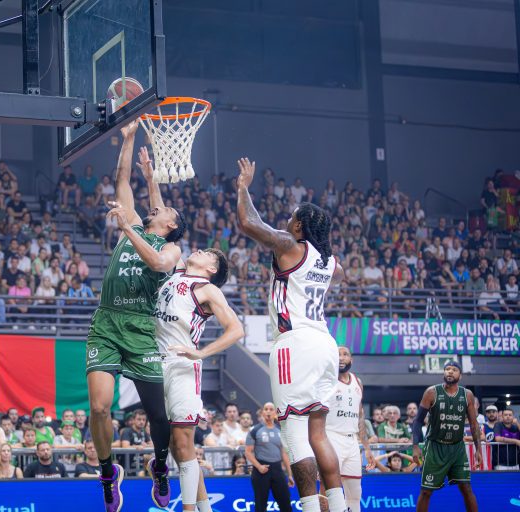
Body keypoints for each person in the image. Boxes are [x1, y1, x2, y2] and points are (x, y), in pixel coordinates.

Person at [236, 157, 347, 512]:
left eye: (291, 218)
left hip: (294, 343)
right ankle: (339, 505)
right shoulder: (330, 262)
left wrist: (243, 188)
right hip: (325, 344)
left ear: (299, 225)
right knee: (318, 433)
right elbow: (338, 275)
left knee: (294, 432)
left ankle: (312, 508)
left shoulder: (290, 245)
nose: (287, 221)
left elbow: (248, 223)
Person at [88, 123, 185, 512]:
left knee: (158, 415)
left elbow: (158, 262)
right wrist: (128, 139)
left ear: (171, 225)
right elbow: (121, 180)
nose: (154, 207)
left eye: (162, 210)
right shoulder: (137, 223)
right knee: (99, 408)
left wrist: (128, 228)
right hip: (107, 324)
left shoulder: (171, 249)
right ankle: (107, 472)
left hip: (141, 328)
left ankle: (159, 467)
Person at [154, 247, 244, 512]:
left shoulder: (208, 289)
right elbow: (167, 236)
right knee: (177, 446)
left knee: (183, 443)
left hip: (182, 366)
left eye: (206, 253)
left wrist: (202, 352)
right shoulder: (178, 271)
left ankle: (189, 509)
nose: (199, 249)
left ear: (211, 269)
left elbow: (236, 329)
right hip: (156, 363)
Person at [412, 361, 481, 512]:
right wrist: (415, 446)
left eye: (454, 369)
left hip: (457, 447)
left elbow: (474, 424)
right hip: (435, 447)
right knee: (426, 491)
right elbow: (417, 421)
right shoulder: (431, 392)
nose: (450, 371)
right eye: (447, 369)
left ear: (460, 376)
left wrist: (478, 449)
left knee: (466, 488)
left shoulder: (467, 395)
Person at [323, 347, 376, 512]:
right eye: (337, 354)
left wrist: (367, 448)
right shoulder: (326, 380)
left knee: (355, 493)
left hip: (352, 441)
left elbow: (360, 416)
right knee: (327, 491)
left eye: (345, 354)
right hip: (331, 437)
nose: (341, 357)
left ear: (351, 360)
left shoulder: (357, 382)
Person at [245, 403, 295, 512]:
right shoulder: (255, 430)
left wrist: (290, 474)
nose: (268, 411)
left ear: (275, 413)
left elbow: (284, 453)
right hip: (261, 470)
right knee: (260, 506)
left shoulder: (280, 430)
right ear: (262, 412)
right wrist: (259, 467)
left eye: (271, 409)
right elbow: (248, 452)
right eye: (266, 409)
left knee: (286, 504)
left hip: (277, 469)